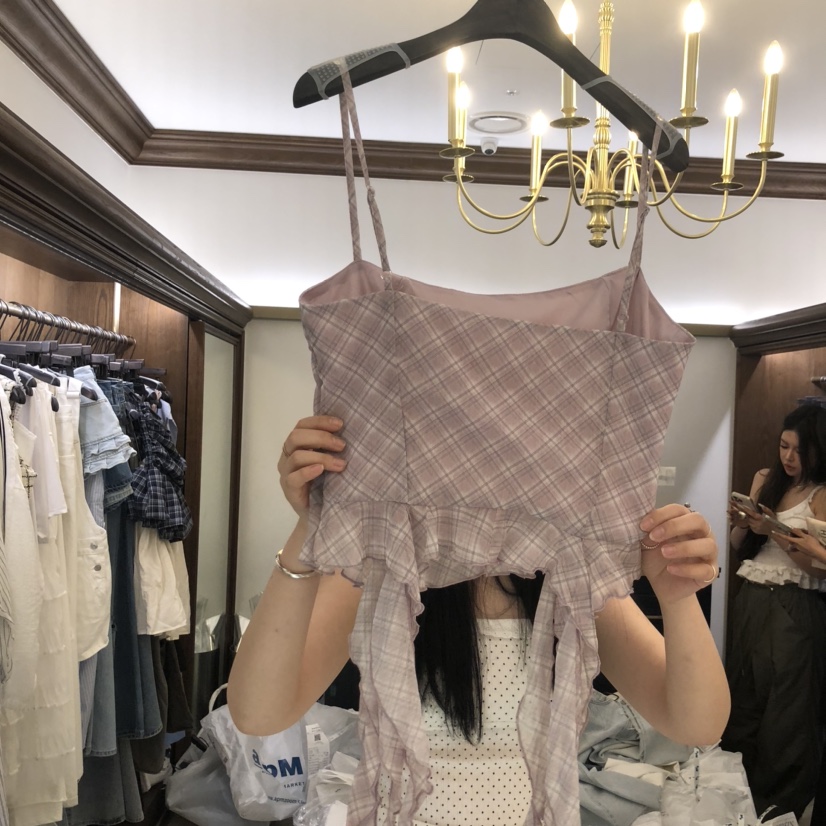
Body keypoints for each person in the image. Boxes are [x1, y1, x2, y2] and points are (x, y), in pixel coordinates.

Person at [228, 415, 730, 825]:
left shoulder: (567, 573)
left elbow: (697, 724)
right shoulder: (384, 564)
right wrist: (309, 529)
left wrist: (678, 597)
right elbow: (258, 713)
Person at [722, 403, 826, 821]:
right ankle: (736, 795)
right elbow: (738, 546)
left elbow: (818, 567)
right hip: (752, 596)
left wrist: (775, 532)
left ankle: (780, 807)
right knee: (743, 694)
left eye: (799, 450)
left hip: (795, 601)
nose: (788, 457)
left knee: (789, 706)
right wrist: (743, 523)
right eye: (783, 446)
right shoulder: (766, 479)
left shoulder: (821, 494)